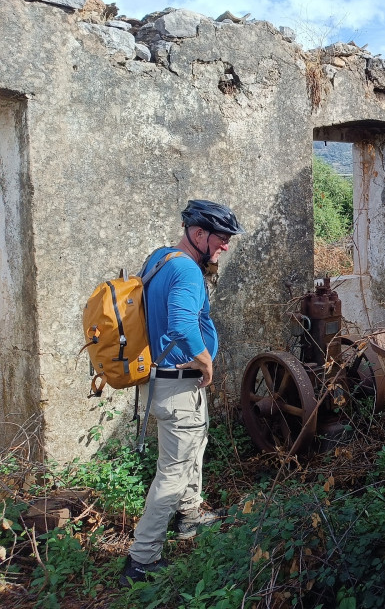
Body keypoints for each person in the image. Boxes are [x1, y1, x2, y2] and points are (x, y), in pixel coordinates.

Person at [120, 199, 245, 585]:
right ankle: (141, 560)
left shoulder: (160, 258)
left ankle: (189, 514)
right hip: (178, 385)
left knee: (194, 446)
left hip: (159, 382)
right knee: (172, 473)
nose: (225, 246)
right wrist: (206, 362)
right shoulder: (188, 270)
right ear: (198, 234)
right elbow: (181, 326)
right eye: (221, 238)